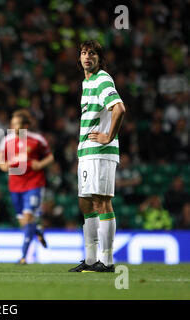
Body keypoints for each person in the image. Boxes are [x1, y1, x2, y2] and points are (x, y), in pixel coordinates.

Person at [68, 40, 126, 272]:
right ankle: (91, 259)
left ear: (99, 59)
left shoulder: (102, 79)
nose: (87, 57)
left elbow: (119, 108)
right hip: (87, 152)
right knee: (85, 202)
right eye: (83, 53)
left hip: (101, 152)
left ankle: (108, 260)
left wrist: (108, 136)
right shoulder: (87, 82)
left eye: (92, 53)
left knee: (102, 201)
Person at [0, 109, 54, 264]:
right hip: (15, 185)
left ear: (26, 126)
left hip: (34, 183)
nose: (13, 127)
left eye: (17, 124)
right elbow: (1, 163)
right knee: (24, 222)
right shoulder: (6, 141)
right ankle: (38, 230)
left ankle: (23, 256)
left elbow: (50, 157)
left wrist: (40, 164)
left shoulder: (37, 140)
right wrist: (6, 165)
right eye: (12, 124)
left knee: (29, 217)